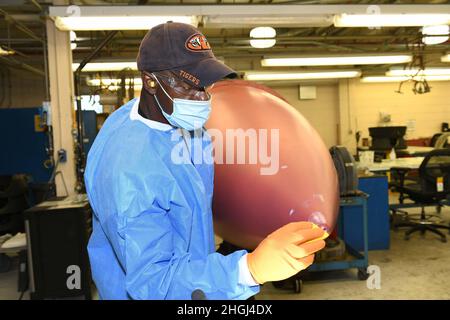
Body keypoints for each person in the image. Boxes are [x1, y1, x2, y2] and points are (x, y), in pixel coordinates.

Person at [85, 22, 326, 300]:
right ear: (150, 81)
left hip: (195, 282)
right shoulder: (128, 173)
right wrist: (249, 270)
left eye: (206, 85)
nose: (203, 98)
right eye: (189, 86)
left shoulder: (175, 121)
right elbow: (154, 283)